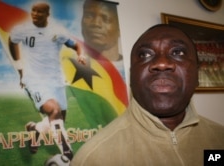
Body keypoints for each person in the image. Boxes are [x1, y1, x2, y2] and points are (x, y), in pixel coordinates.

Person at [70, 24, 224, 165]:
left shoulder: (219, 139)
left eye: (178, 52)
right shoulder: (94, 158)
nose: (162, 63)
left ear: (197, 74)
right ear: (132, 77)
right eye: (145, 55)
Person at [8, 2, 85, 160]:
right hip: (33, 79)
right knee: (54, 110)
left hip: (56, 80)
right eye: (33, 11)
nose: (35, 14)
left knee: (59, 120)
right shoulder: (22, 30)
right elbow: (12, 41)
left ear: (47, 15)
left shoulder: (57, 31)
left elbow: (75, 45)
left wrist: (80, 54)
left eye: (39, 12)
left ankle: (35, 129)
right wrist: (20, 69)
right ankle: (68, 154)